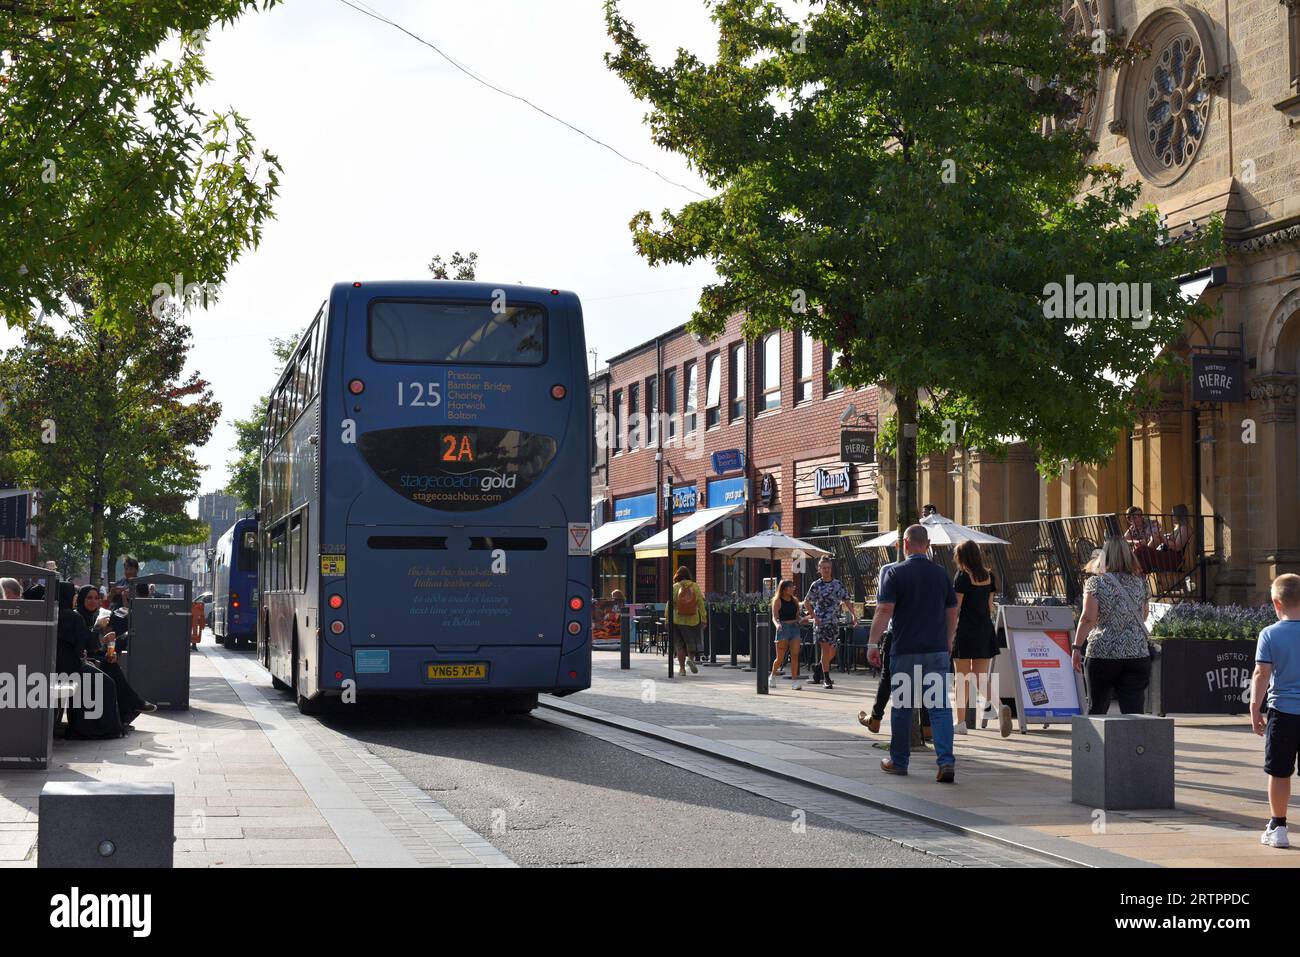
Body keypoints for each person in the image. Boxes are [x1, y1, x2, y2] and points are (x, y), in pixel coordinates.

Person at [867, 524, 958, 782]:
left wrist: (873, 644)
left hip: (905, 650)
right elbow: (952, 611)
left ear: (904, 544)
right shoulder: (941, 574)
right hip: (936, 650)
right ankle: (946, 762)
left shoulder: (894, 572)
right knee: (939, 707)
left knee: (904, 706)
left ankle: (899, 761)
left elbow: (884, 610)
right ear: (927, 544)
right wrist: (948, 641)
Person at [1071, 537, 1151, 714]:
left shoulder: (1096, 583)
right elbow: (1144, 616)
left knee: (1097, 708)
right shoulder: (1141, 583)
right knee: (1134, 712)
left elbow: (1088, 618)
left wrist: (1076, 647)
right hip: (1136, 653)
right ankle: (1133, 742)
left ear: (1104, 556)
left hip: (1103, 653)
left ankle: (1096, 742)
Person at [1251, 574, 1300, 848]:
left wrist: (1255, 707)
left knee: (1280, 772)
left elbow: (1261, 673)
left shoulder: (1269, 634)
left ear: (1276, 603)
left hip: (1283, 712)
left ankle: (1278, 826)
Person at [951, 540, 1011, 736]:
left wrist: (949, 632)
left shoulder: (962, 576)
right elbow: (989, 607)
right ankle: (1000, 706)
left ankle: (960, 723)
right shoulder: (989, 576)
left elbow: (956, 608)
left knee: (962, 678)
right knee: (981, 677)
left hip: (965, 631)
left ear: (962, 557)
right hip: (984, 630)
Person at [75, 585, 154, 725]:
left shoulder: (94, 616)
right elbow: (84, 645)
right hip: (79, 662)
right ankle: (133, 706)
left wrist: (106, 650)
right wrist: (98, 630)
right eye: (89, 598)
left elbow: (94, 647)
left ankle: (127, 713)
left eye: (96, 598)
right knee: (111, 669)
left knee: (112, 664)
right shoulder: (78, 616)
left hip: (91, 658)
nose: (93, 601)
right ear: (81, 599)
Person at [802, 557, 856, 690]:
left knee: (832, 651)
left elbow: (847, 599)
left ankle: (818, 669)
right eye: (823, 568)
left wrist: (854, 615)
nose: (826, 570)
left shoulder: (838, 584)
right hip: (821, 622)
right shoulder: (816, 585)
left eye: (828, 568)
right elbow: (806, 602)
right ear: (819, 569)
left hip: (834, 622)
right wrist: (814, 616)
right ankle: (826, 678)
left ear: (831, 569)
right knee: (825, 650)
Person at [669, 566, 706, 675]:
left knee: (679, 646)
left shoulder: (675, 587)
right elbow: (700, 604)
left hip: (677, 620)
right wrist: (704, 618)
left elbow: (669, 605)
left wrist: (667, 619)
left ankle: (682, 669)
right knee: (691, 644)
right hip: (692, 620)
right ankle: (690, 659)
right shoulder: (695, 587)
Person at [769, 580, 804, 690]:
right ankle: (772, 676)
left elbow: (797, 616)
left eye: (792, 586)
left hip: (794, 628)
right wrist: (777, 625)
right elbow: (774, 617)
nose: (793, 588)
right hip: (783, 628)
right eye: (790, 587)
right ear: (783, 589)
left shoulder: (795, 601)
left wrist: (802, 619)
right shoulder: (777, 601)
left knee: (795, 655)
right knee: (780, 658)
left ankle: (794, 682)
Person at [1150, 504, 1192, 572]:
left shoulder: (1185, 528)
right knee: (1144, 552)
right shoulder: (1177, 528)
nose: (1171, 516)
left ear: (1179, 515)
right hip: (1166, 555)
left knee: (1143, 551)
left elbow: (1177, 547)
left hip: (1174, 558)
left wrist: (1163, 537)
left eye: (1173, 514)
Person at [1122, 506, 1161, 573]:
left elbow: (1153, 538)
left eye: (1139, 516)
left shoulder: (1152, 523)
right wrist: (1135, 542)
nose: (1138, 519)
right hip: (1139, 555)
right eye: (1134, 518)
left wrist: (1138, 543)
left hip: (1152, 553)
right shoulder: (1132, 529)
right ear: (1130, 520)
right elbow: (1123, 540)